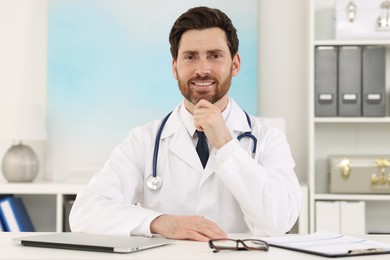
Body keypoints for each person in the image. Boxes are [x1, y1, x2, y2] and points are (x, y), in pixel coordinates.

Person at [69, 6, 301, 242]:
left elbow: (279, 222)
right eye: (190, 57)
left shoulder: (268, 139)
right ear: (174, 67)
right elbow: (84, 211)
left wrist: (226, 144)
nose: (202, 70)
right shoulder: (144, 140)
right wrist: (160, 223)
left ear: (235, 64)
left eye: (215, 55)